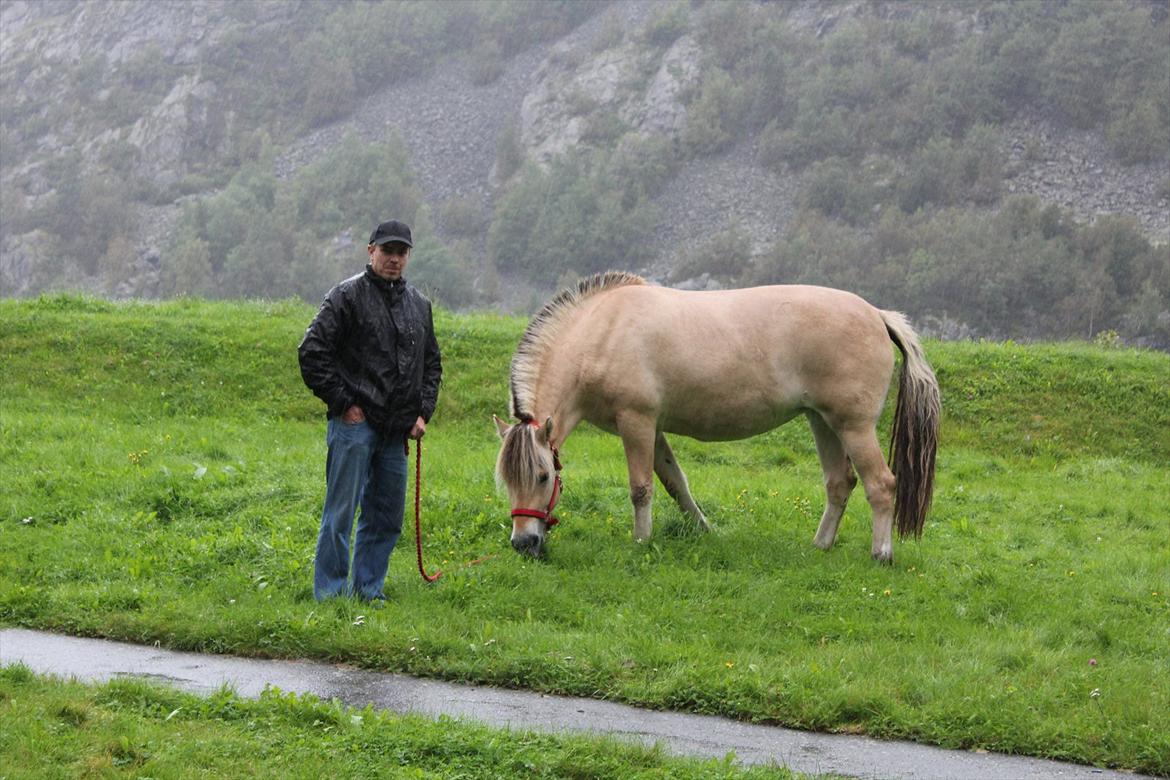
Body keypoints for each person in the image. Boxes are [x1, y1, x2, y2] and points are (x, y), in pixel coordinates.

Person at [298, 219, 442, 603]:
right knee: (340, 514)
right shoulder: (345, 297)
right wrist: (344, 404)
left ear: (408, 256)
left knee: (386, 518)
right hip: (354, 428)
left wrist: (422, 412)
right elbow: (311, 353)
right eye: (387, 250)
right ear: (370, 250)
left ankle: (367, 591)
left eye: (401, 252)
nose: (394, 259)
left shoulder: (419, 306)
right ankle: (329, 595)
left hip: (397, 434)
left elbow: (432, 366)